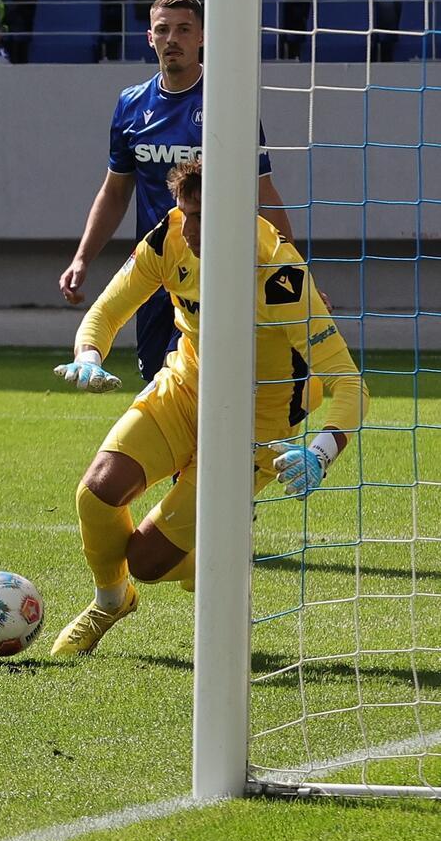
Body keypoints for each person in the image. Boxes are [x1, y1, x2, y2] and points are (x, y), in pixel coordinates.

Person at [48, 157, 365, 658]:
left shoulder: (280, 275)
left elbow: (349, 383)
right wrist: (88, 355)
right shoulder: (169, 237)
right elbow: (107, 310)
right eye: (184, 213)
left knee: (147, 562)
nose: (189, 227)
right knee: (97, 494)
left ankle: (219, 550)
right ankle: (109, 602)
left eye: (201, 217)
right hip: (187, 388)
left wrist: (321, 452)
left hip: (255, 425)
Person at [58, 0, 291, 383]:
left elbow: (263, 194)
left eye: (183, 29)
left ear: (202, 36)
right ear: (150, 38)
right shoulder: (131, 105)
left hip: (214, 271)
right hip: (154, 269)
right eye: (163, 30)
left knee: (189, 383)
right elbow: (115, 192)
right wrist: (82, 258)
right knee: (156, 380)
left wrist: (294, 270)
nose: (172, 39)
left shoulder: (230, 104)